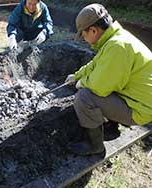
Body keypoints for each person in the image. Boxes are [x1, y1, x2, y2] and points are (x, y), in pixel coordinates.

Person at [65, 3, 152, 156]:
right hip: (137, 99)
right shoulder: (115, 39)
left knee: (84, 97)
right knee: (104, 86)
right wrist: (77, 75)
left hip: (140, 109)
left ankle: (94, 145)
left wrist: (81, 83)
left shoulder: (118, 46)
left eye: (84, 35)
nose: (84, 39)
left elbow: (99, 87)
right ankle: (111, 128)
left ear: (93, 30)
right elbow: (95, 64)